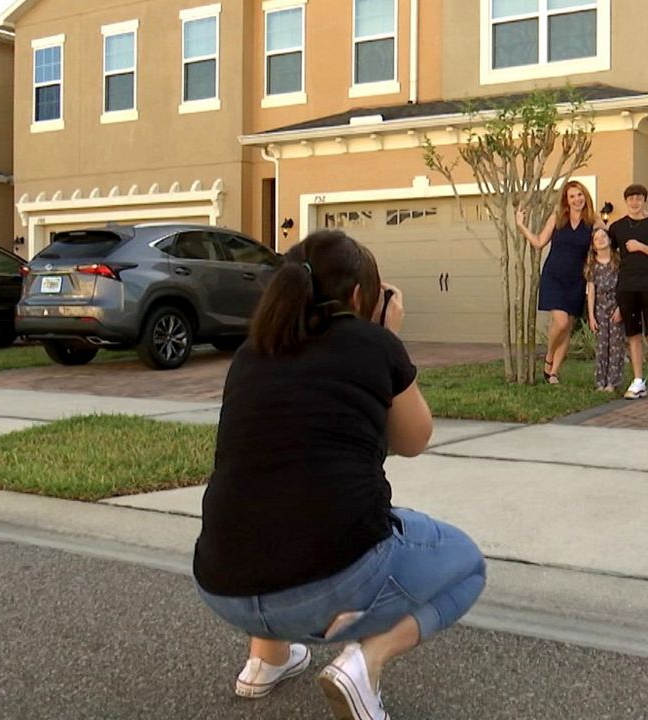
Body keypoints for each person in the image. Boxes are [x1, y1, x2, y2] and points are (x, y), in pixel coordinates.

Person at [193, 230, 486, 720]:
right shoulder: (372, 343)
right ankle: (363, 664)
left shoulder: (251, 354)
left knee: (274, 499)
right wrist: (388, 338)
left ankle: (266, 660)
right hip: (329, 580)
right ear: (358, 296)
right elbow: (415, 439)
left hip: (222, 584)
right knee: (467, 566)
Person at [515, 180, 603, 384]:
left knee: (568, 326)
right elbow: (538, 242)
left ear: (585, 196)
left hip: (577, 279)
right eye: (572, 196)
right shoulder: (557, 218)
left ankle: (553, 372)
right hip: (554, 275)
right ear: (566, 199)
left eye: (579, 195)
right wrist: (521, 226)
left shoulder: (594, 221)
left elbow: (606, 241)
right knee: (561, 322)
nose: (577, 199)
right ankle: (548, 356)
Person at [608, 184, 648, 401]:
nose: (634, 203)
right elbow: (606, 250)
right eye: (630, 199)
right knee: (633, 336)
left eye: (638, 198)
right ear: (625, 201)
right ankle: (638, 381)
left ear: (644, 200)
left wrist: (641, 247)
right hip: (627, 287)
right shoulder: (618, 227)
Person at [584, 227, 624, 392]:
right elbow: (591, 291)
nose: (600, 239)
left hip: (616, 305)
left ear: (609, 239)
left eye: (603, 236)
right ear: (593, 245)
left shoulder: (618, 262)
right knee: (602, 346)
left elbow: (623, 286)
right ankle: (600, 381)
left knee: (616, 345)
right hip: (600, 307)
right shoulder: (592, 266)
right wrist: (591, 316)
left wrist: (620, 308)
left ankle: (612, 382)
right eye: (596, 238)